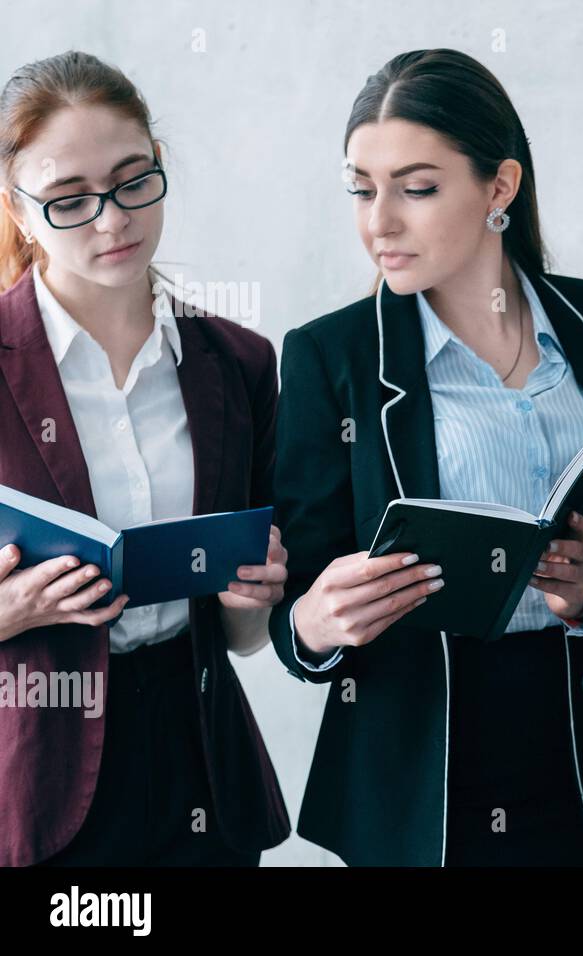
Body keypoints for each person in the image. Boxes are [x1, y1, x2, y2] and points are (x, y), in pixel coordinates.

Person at [270, 49, 583, 866]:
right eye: (363, 190)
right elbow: (292, 609)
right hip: (418, 782)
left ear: (499, 188)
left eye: (417, 187)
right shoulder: (328, 356)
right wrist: (317, 621)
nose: (380, 223)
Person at [0, 51, 290, 866]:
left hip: (201, 757)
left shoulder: (239, 362)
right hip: (35, 773)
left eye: (133, 181)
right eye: (68, 201)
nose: (112, 219)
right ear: (18, 213)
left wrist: (252, 596)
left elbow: (240, 637)